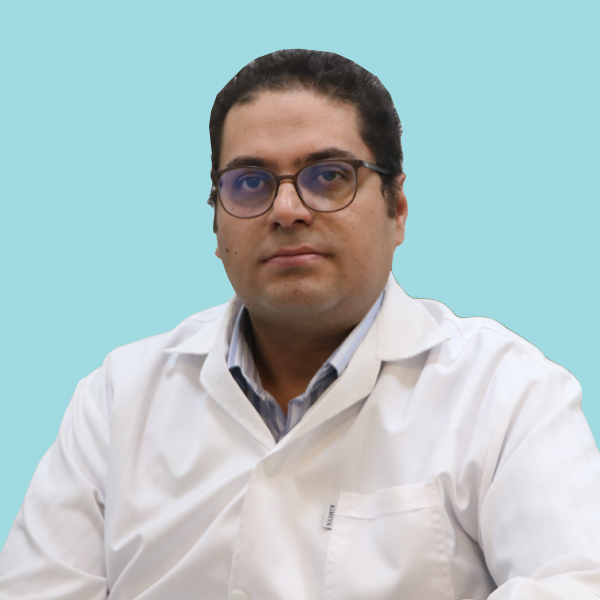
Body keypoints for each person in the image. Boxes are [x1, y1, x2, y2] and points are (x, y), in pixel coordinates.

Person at [1, 49, 599, 600]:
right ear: (216, 224)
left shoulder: (506, 391)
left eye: (329, 176)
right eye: (250, 182)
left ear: (397, 209)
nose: (286, 210)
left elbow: (574, 584)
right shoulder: (117, 397)